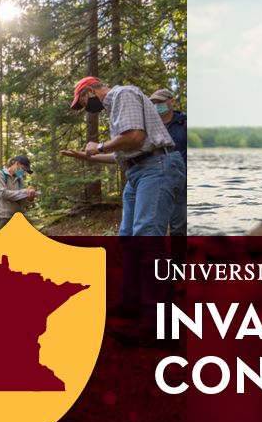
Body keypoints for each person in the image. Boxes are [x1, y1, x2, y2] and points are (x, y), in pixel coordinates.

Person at [61, 77, 185, 347]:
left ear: (90, 91)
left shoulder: (122, 95)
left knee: (147, 240)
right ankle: (131, 303)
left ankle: (161, 326)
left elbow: (134, 136)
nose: (84, 107)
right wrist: (89, 156)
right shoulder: (116, 107)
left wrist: (100, 146)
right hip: (138, 170)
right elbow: (125, 150)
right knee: (128, 238)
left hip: (157, 166)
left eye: (82, 101)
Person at [150, 88, 188, 263]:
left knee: (179, 226)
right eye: (154, 103)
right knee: (152, 225)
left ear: (172, 102)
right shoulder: (149, 125)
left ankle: (177, 268)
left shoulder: (185, 123)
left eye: (160, 102)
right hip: (157, 181)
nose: (156, 105)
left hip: (182, 181)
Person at [0, 156, 37, 230]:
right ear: (17, 163)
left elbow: (19, 200)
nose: (24, 172)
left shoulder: (20, 180)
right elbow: (3, 194)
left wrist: (29, 198)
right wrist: (25, 191)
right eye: (23, 169)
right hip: (4, 218)